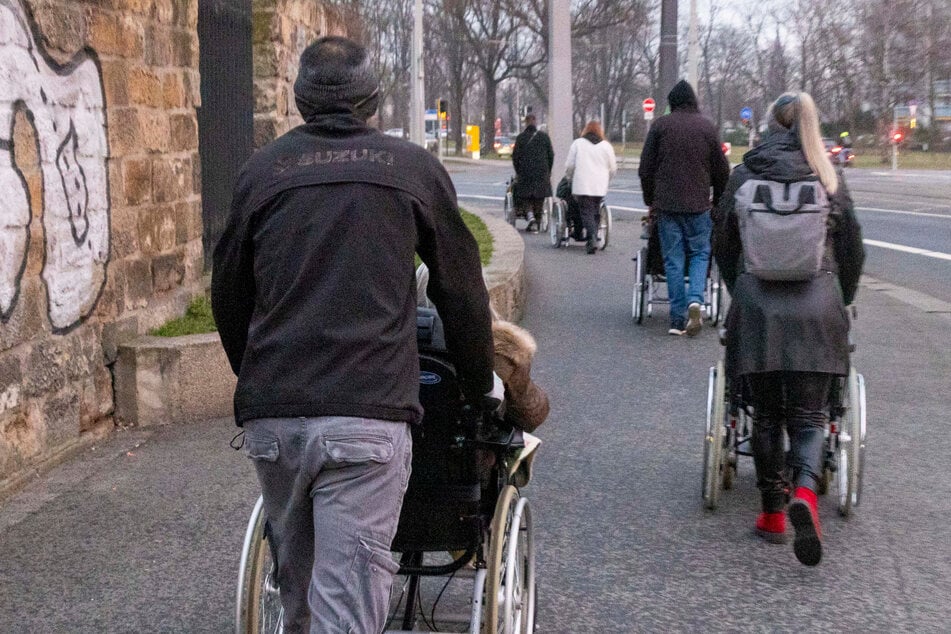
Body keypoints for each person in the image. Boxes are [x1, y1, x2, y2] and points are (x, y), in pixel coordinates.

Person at [211, 36, 494, 633]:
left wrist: (258, 373)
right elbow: (461, 291)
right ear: (373, 98)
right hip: (366, 413)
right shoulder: (411, 170)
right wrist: (479, 382)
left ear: (299, 100)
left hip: (275, 415)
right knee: (348, 607)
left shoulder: (260, 175)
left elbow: (229, 296)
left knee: (302, 593)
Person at [713, 92, 865, 566]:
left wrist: (742, 290)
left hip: (757, 306)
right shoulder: (828, 176)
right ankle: (805, 491)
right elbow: (854, 250)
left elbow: (723, 244)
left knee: (767, 416)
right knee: (809, 418)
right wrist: (843, 297)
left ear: (768, 125)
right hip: (818, 305)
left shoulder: (743, 174)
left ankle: (774, 515)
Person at [638, 79, 730, 335]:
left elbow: (645, 169)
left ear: (671, 103)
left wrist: (651, 200)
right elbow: (722, 171)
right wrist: (717, 201)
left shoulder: (660, 127)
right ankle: (695, 300)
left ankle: (677, 320)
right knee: (701, 254)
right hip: (699, 205)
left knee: (673, 259)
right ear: (693, 101)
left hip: (667, 206)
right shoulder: (707, 128)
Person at [564, 120, 617, 254]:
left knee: (586, 211)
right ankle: (593, 234)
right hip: (600, 185)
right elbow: (613, 168)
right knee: (594, 210)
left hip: (582, 184)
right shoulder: (606, 146)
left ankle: (591, 237)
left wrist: (569, 178)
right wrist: (607, 179)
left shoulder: (578, 144)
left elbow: (570, 166)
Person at [511, 114, 554, 233]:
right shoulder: (544, 137)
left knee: (525, 197)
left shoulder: (521, 138)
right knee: (539, 198)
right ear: (536, 123)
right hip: (542, 172)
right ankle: (537, 221)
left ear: (526, 123)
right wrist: (548, 171)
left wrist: (518, 170)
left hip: (526, 172)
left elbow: (515, 157)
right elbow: (551, 155)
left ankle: (530, 217)